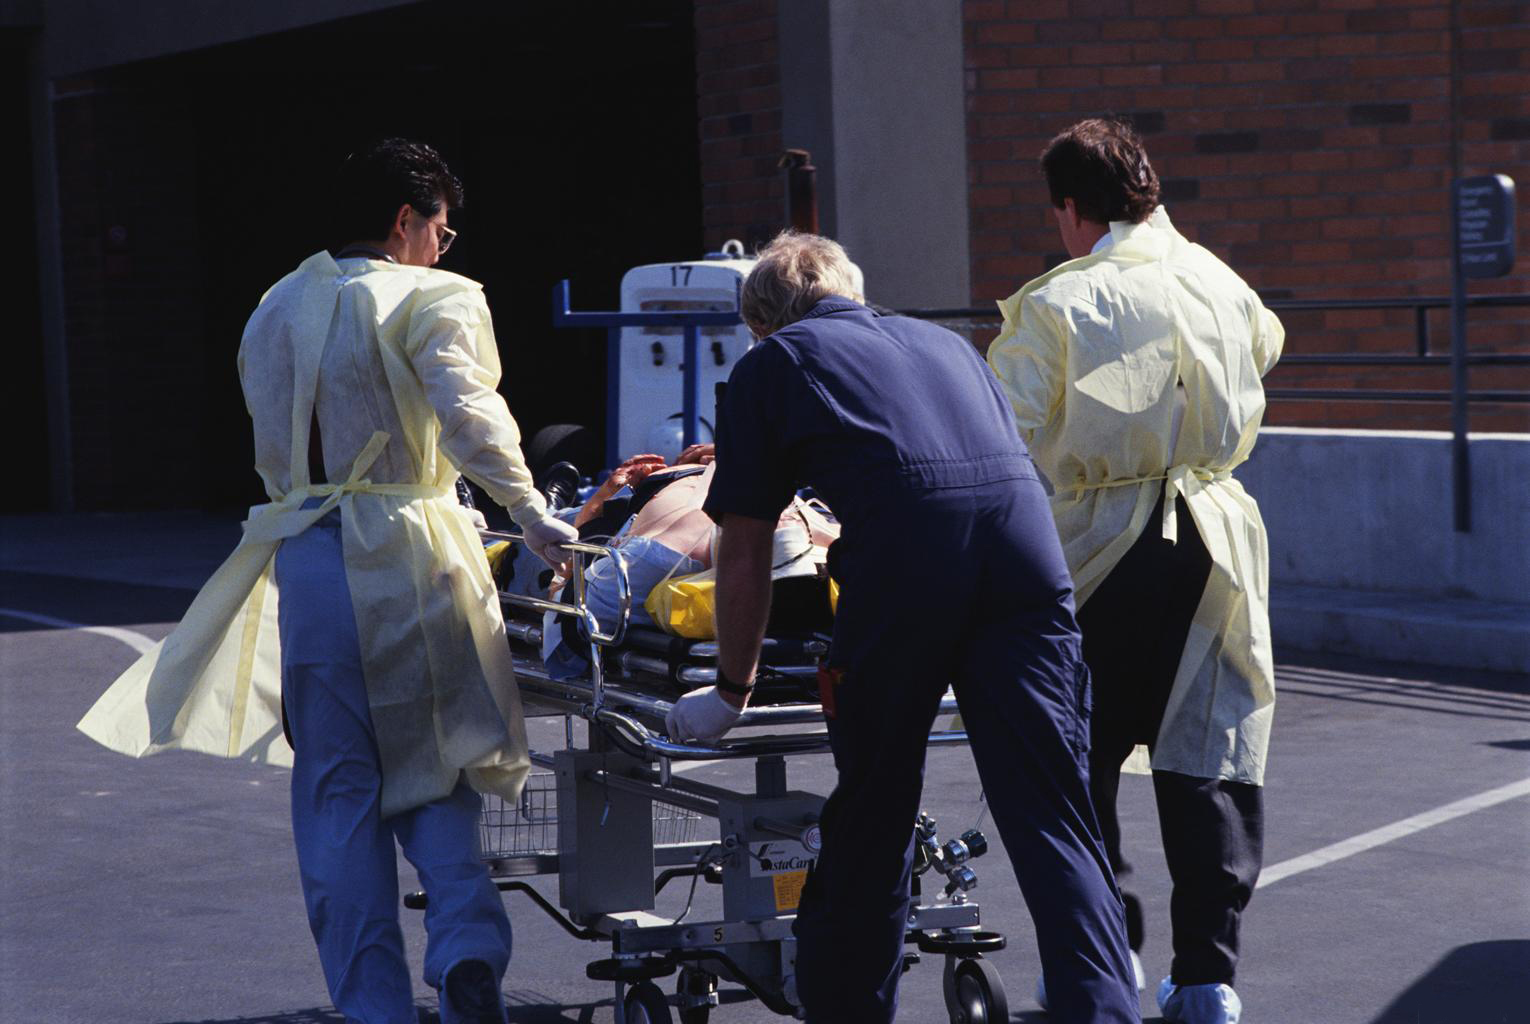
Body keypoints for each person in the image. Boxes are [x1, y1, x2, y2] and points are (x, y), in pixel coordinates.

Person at [77, 138, 579, 1024]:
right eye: (441, 230)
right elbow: (469, 411)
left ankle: (374, 1006)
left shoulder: (277, 305)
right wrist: (530, 511)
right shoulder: (432, 297)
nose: (443, 247)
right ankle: (465, 943)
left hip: (308, 552)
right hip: (411, 550)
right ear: (405, 221)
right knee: (439, 763)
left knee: (338, 792)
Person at [664, 231, 1141, 1023]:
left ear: (761, 323)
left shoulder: (772, 364)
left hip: (909, 562)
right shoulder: (946, 345)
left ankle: (848, 1008)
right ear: (850, 290)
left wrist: (730, 690)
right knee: (1056, 811)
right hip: (1027, 559)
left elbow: (744, 545)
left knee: (876, 807)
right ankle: (1103, 1011)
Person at [987, 118, 1284, 1024]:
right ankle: (1208, 980)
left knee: (1080, 756)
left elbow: (999, 424)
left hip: (1100, 540)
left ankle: (1099, 957)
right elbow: (1267, 345)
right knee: (1210, 752)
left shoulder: (1059, 301)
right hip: (1218, 536)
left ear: (1072, 207)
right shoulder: (1222, 281)